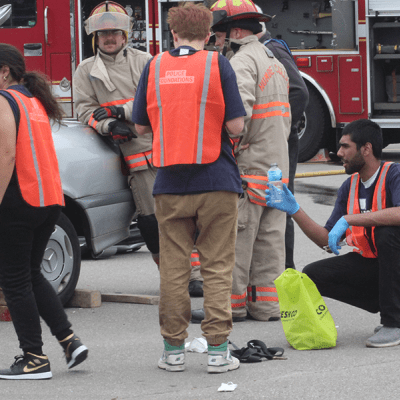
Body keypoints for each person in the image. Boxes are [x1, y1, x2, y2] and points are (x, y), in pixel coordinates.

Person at [132, 3, 245, 373]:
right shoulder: (218, 64)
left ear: (173, 34)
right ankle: (217, 353)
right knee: (216, 267)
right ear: (209, 34)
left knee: (174, 270)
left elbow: (141, 130)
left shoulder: (154, 66)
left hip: (169, 184)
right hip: (217, 182)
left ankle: (173, 351)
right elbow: (236, 127)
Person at [73, 1, 203, 294]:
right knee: (152, 220)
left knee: (183, 215)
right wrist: (107, 126)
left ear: (125, 35)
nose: (109, 38)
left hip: (165, 147)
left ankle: (193, 275)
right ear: (95, 37)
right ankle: (179, 278)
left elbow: (159, 99)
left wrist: (120, 112)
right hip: (133, 154)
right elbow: (85, 110)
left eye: (115, 33)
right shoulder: (86, 70)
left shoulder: (146, 61)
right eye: (104, 33)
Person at [266, 119, 400, 348]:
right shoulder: (349, 187)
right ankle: (392, 306)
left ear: (366, 149)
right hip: (379, 267)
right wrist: (295, 210)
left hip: (395, 261)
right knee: (313, 274)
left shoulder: (393, 173)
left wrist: (349, 219)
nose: (339, 153)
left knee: (387, 234)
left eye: (345, 146)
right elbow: (327, 241)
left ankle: (393, 323)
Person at [0, 44, 88, 380]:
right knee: (31, 274)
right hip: (48, 199)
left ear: (4, 71)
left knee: (14, 280)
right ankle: (69, 340)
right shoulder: (33, 102)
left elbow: (6, 156)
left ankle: (34, 358)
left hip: (19, 200)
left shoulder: (5, 100)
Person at [210, 0, 291, 322]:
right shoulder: (272, 59)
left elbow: (238, 116)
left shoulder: (241, 62)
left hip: (249, 166)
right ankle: (267, 306)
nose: (216, 42)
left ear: (237, 31)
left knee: (238, 239)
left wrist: (225, 149)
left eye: (219, 36)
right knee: (270, 240)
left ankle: (233, 306)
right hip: (275, 165)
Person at [255, 4, 309, 270]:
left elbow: (299, 92)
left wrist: (279, 130)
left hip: (279, 142)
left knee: (280, 205)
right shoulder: (262, 50)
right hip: (273, 140)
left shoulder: (271, 50)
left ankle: (286, 270)